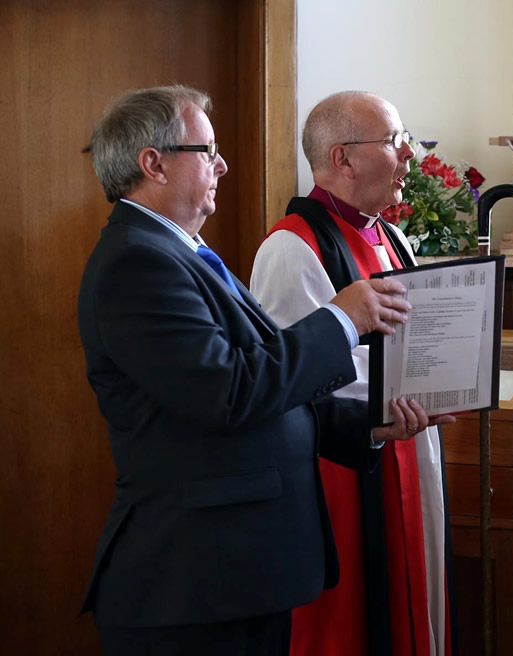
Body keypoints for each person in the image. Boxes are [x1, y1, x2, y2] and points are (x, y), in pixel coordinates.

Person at [77, 84, 444, 656]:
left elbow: (269, 390)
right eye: (207, 151)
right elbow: (227, 392)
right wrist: (341, 320)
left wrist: (369, 424)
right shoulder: (136, 262)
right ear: (154, 164)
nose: (222, 164)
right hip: (194, 579)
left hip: (238, 572)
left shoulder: (181, 252)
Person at [250, 91, 458, 656]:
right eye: (394, 141)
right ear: (342, 158)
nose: (409, 154)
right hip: (344, 464)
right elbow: (294, 372)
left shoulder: (391, 236)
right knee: (353, 623)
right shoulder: (292, 246)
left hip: (407, 439)